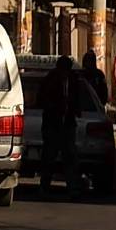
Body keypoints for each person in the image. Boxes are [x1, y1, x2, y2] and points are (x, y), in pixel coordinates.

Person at [36, 60, 79, 191]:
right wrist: (54, 107)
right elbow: (42, 99)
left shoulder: (73, 80)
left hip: (68, 124)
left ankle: (72, 188)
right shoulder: (50, 80)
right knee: (49, 156)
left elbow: (77, 98)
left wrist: (74, 110)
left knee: (70, 156)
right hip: (52, 124)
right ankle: (45, 186)